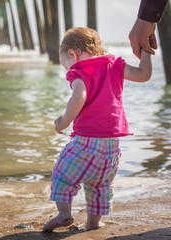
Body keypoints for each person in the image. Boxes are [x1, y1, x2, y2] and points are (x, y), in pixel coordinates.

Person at [43, 27, 152, 232]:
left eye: (65, 64)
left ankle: (64, 214)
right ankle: (93, 223)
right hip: (112, 145)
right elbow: (144, 75)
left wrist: (64, 121)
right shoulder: (115, 65)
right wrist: (146, 52)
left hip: (86, 142)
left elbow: (79, 96)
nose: (67, 69)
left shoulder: (79, 71)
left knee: (62, 175)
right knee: (100, 185)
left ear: (72, 54)